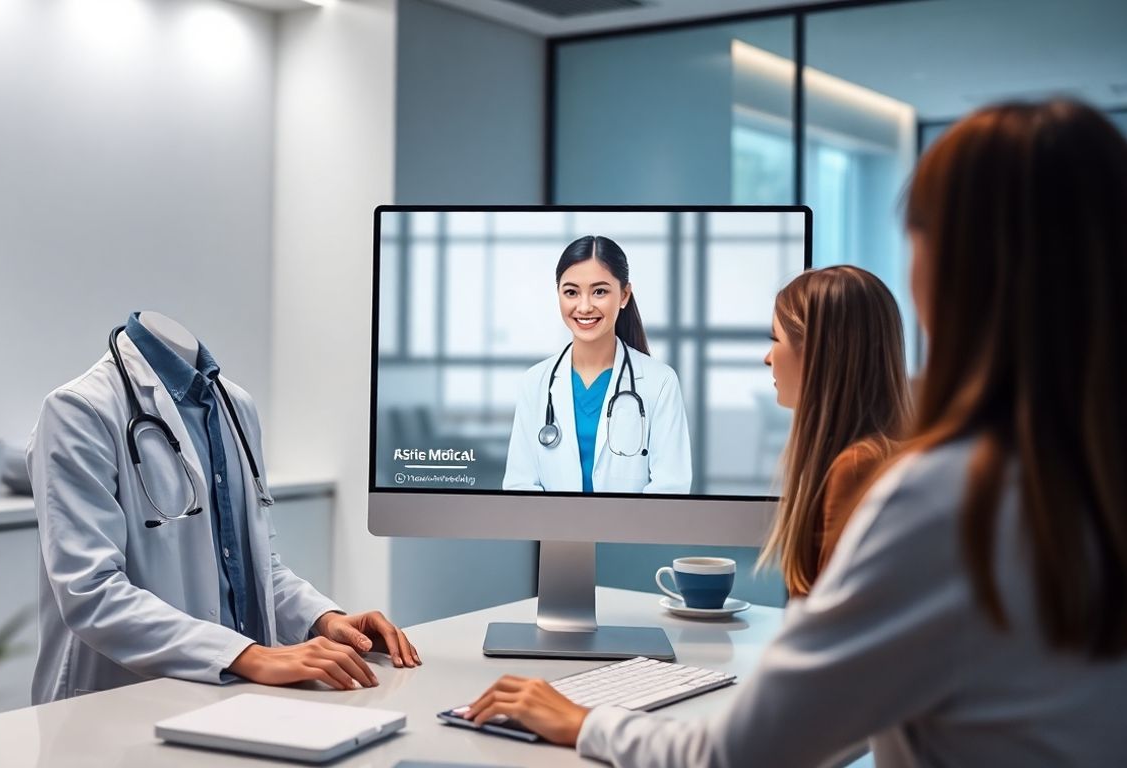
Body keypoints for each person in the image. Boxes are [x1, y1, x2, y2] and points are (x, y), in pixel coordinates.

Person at [462, 100, 1127, 766]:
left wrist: (583, 722)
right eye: (571, 290)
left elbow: (744, 752)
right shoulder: (1077, 484)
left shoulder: (939, 502)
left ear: (953, 268)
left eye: (917, 237)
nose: (585, 305)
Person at [27, 311, 419, 704]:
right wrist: (248, 656)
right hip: (116, 703)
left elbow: (256, 568)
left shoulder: (235, 405)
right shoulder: (79, 410)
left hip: (232, 692)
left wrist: (324, 620)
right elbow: (91, 591)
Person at [760, 266, 912, 598]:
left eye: (775, 339)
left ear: (816, 352)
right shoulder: (870, 459)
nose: (768, 358)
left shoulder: (856, 467)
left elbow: (835, 620)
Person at [503, 235, 692, 494]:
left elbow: (670, 487)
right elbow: (519, 486)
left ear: (624, 295)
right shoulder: (535, 382)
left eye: (599, 291)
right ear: (558, 295)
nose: (584, 306)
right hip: (552, 523)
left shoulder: (660, 382)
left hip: (631, 523)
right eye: (571, 292)